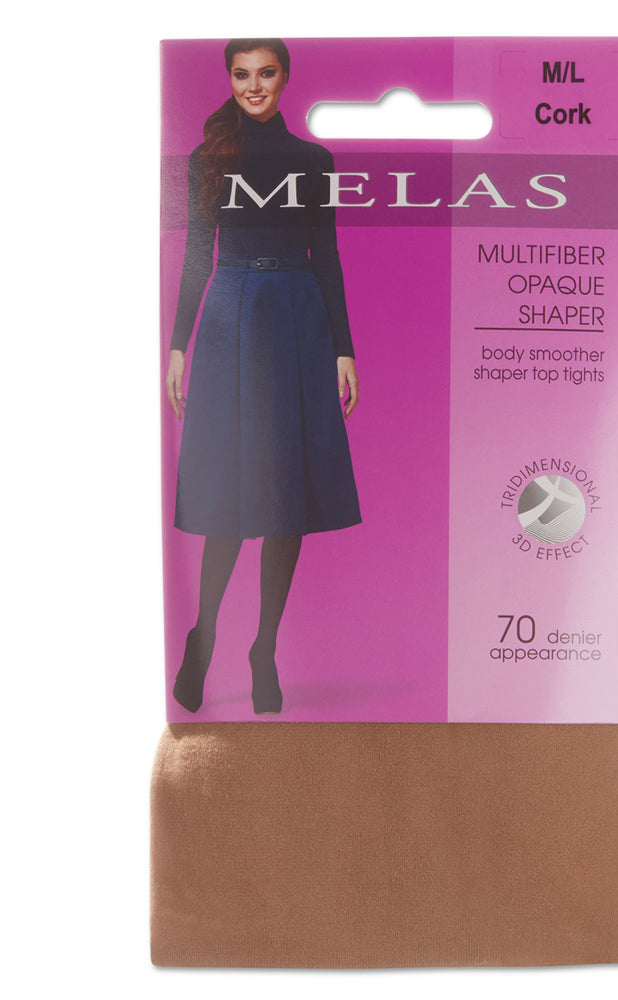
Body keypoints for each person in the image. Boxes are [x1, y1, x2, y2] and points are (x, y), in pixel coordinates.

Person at [165, 38, 361, 715]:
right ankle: (203, 636)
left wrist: (344, 348)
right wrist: (178, 344)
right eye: (242, 74)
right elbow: (197, 253)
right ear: (229, 78)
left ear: (285, 77)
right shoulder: (208, 158)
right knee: (231, 494)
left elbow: (327, 254)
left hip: (298, 315)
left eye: (266, 72)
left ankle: (265, 648)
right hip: (230, 317)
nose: (254, 85)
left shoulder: (315, 160)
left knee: (287, 495)